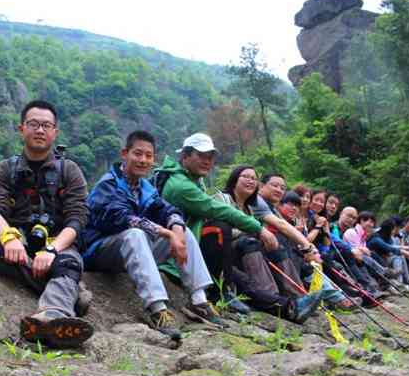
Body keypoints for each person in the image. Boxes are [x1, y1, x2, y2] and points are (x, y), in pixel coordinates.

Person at [0, 100, 93, 348]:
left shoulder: (69, 170)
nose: (39, 130)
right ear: (21, 129)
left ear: (55, 132)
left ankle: (52, 316)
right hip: (20, 244)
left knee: (68, 262)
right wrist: (8, 238)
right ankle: (70, 294)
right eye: (33, 124)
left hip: (58, 245)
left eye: (46, 125)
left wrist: (51, 250)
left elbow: (77, 218)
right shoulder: (7, 169)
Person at [80, 130, 219, 342]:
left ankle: (199, 300)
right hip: (98, 251)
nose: (143, 160)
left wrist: (177, 230)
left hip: (129, 250)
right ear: (124, 154)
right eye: (138, 154)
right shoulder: (108, 184)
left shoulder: (145, 187)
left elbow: (167, 210)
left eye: (148, 156)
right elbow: (122, 218)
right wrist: (166, 233)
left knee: (184, 232)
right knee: (136, 233)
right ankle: (158, 309)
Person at [155, 132, 276, 312]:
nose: (207, 161)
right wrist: (259, 229)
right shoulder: (181, 185)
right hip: (176, 252)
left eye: (210, 157)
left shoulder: (193, 180)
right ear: (185, 156)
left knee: (241, 266)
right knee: (220, 228)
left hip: (193, 248)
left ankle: (281, 303)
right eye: (201, 156)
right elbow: (217, 209)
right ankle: (222, 293)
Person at [213, 165, 328, 323]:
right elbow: (217, 230)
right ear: (234, 180)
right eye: (245, 176)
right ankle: (273, 300)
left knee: (276, 250)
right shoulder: (221, 199)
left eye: (253, 178)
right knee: (251, 242)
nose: (250, 181)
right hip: (224, 254)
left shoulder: (251, 207)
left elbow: (280, 224)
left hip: (245, 251)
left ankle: (299, 299)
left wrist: (308, 247)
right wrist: (257, 232)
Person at [367, 218, 409, 291]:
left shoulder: (388, 238)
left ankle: (401, 283)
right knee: (398, 257)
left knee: (400, 257)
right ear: (389, 229)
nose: (395, 231)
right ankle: (399, 283)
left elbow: (392, 247)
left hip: (383, 260)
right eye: (394, 229)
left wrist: (406, 249)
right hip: (373, 261)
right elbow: (390, 248)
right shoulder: (376, 238)